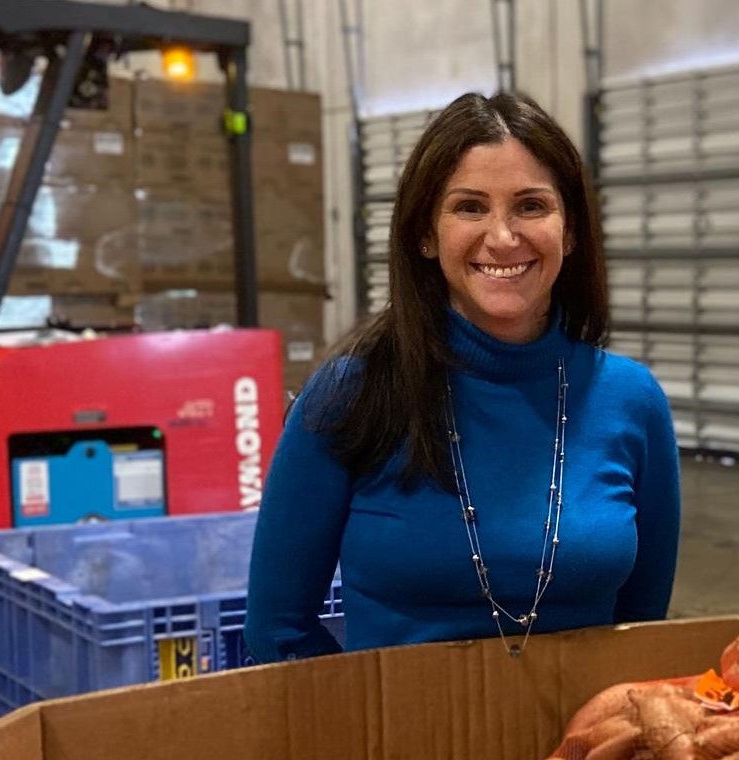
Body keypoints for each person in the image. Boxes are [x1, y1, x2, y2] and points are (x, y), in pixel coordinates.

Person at [244, 91, 680, 661]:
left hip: (576, 746)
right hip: (398, 743)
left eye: (531, 206)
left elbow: (641, 632)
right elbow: (277, 630)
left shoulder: (631, 401)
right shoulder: (348, 398)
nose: (502, 237)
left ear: (570, 232)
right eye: (470, 207)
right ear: (426, 234)